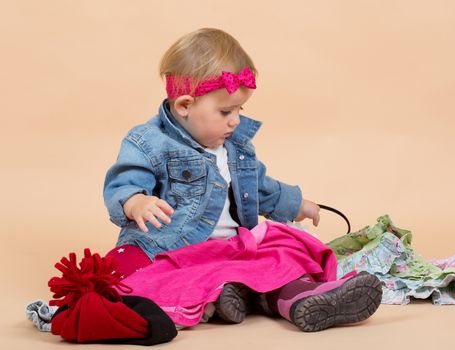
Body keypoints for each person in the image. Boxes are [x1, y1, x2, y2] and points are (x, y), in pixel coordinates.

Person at [103, 27, 382, 332]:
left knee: (284, 253)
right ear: (184, 105)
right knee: (121, 269)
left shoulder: (235, 145)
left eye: (239, 109)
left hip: (235, 247)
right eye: (225, 111)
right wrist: (136, 201)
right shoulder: (149, 141)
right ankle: (218, 294)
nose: (235, 120)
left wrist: (296, 203)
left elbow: (260, 188)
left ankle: (300, 298)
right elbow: (123, 184)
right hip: (175, 248)